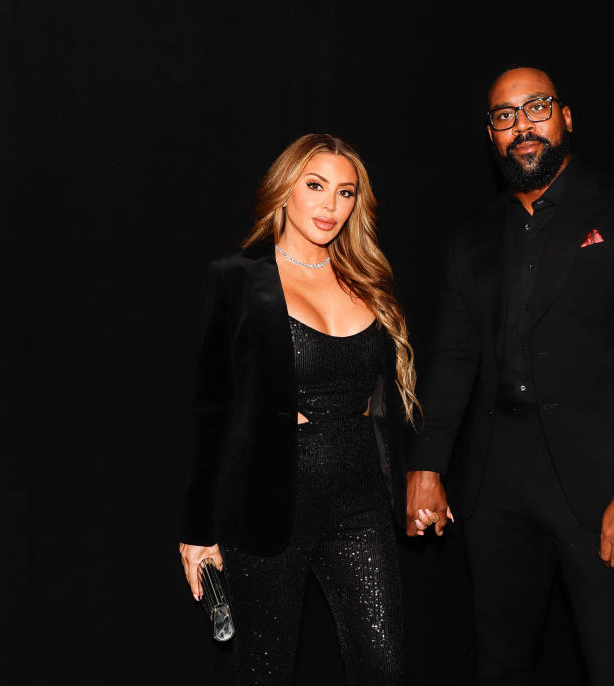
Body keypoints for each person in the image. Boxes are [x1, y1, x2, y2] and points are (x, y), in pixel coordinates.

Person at [405, 67, 614, 685]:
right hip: (495, 479)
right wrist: (426, 466)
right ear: (491, 134)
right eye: (505, 116)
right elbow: (453, 358)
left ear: (566, 116)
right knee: (501, 666)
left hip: (602, 481)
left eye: (536, 108)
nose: (522, 125)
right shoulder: (471, 239)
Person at [178, 133, 417, 686]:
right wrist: (197, 530)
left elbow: (388, 408)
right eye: (315, 187)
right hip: (269, 498)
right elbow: (212, 408)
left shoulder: (367, 279)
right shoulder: (238, 277)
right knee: (267, 671)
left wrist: (413, 480)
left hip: (360, 498)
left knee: (384, 666)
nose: (331, 206)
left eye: (345, 192)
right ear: (285, 190)